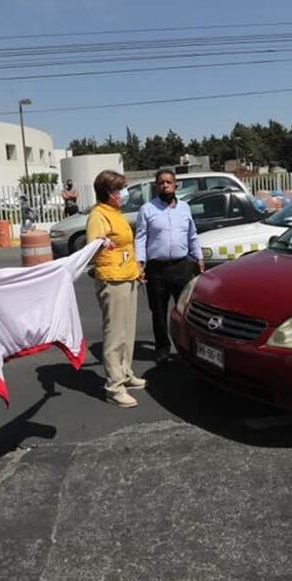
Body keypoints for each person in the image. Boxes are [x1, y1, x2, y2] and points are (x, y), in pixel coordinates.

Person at [85, 169, 145, 408]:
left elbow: (125, 246)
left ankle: (125, 372)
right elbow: (92, 247)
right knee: (115, 335)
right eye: (118, 190)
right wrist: (101, 243)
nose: (122, 194)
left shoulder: (115, 213)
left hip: (128, 276)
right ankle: (114, 386)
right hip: (112, 279)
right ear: (108, 193)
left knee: (128, 332)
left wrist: (137, 269)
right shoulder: (98, 215)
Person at [134, 170, 204, 366]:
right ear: (156, 186)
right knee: (158, 311)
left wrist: (198, 257)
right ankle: (162, 349)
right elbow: (140, 238)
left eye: (168, 182)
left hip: (182, 267)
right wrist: (139, 264)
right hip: (157, 270)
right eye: (161, 183)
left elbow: (192, 235)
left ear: (175, 186)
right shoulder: (147, 209)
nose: (165, 186)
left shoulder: (185, 208)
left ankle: (187, 348)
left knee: (185, 311)